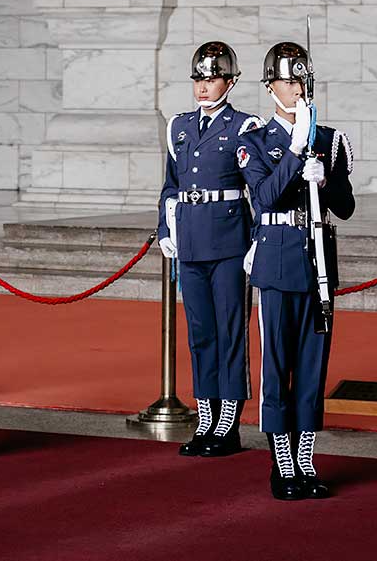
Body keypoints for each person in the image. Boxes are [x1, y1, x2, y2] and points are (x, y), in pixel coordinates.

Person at [238, 42, 355, 500]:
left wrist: (324, 179)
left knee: (312, 365)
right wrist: (294, 153)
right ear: (270, 87)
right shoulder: (255, 141)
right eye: (288, 80)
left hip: (318, 263)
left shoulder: (331, 139)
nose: (297, 88)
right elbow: (265, 197)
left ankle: (305, 459)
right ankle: (281, 462)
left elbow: (345, 207)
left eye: (303, 80)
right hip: (277, 260)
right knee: (278, 365)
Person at [157, 41, 259, 457]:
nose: (202, 86)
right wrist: (166, 226)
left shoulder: (245, 126)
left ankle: (228, 421)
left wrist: (259, 241)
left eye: (212, 78)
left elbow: (259, 188)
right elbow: (171, 185)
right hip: (192, 240)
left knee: (230, 329)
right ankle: (206, 417)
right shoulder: (179, 127)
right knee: (200, 332)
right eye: (198, 78)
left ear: (230, 82)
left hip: (231, 241)